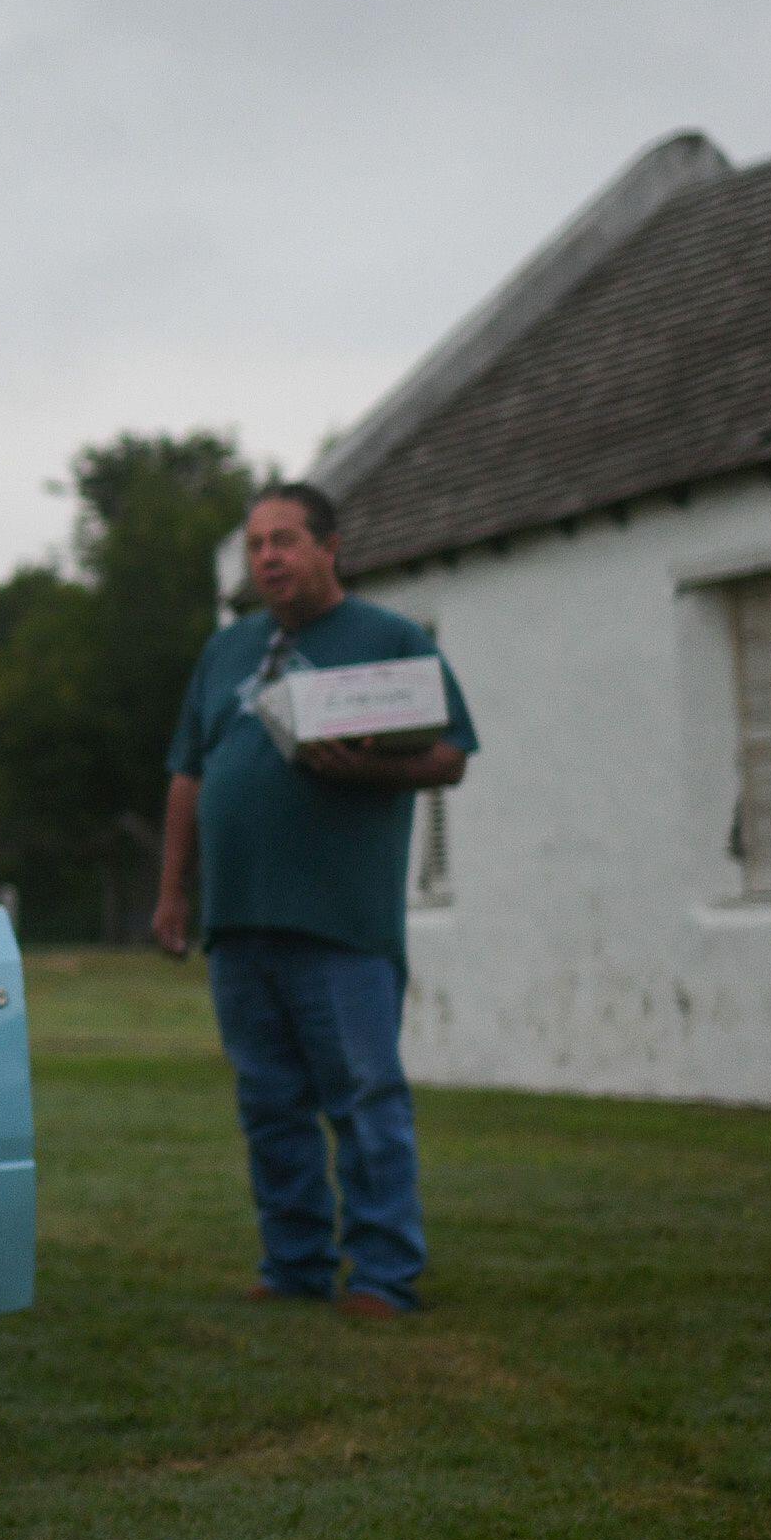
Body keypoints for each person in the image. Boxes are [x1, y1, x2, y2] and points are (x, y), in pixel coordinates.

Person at [151, 480, 476, 1317]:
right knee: (269, 1104)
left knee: (364, 1098)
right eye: (258, 544)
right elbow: (188, 772)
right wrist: (172, 890)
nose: (269, 557)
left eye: (286, 540)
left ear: (330, 548)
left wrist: (367, 768)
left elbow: (450, 757)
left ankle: (382, 1274)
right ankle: (294, 1264)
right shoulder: (226, 652)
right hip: (240, 922)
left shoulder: (391, 638)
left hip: (341, 922)